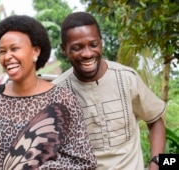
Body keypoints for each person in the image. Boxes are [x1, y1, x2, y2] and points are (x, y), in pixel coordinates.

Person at [0, 15, 96, 170]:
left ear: (35, 51)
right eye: (3, 51)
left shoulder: (62, 99)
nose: (8, 56)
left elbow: (84, 161)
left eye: (14, 49)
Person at [52, 12, 166, 170]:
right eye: (77, 48)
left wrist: (156, 163)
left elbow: (154, 120)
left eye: (93, 44)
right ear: (64, 49)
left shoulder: (127, 78)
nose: (87, 53)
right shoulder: (56, 92)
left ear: (101, 43)